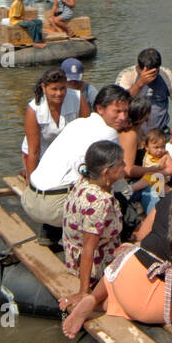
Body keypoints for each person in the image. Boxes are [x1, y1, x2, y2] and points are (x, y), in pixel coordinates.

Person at [61, 153, 172, 337]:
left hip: (122, 273)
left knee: (135, 247)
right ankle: (105, 305)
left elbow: (141, 235)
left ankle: (94, 299)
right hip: (151, 299)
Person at [19, 85, 130, 229]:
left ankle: (49, 231)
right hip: (53, 208)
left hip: (30, 200)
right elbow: (112, 178)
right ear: (100, 109)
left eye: (125, 112)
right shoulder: (109, 133)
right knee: (110, 188)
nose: (123, 117)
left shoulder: (77, 123)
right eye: (117, 111)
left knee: (82, 174)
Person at [57, 140, 125, 313]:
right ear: (106, 172)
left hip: (76, 251)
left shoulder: (84, 180)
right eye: (120, 164)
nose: (125, 166)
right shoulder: (99, 203)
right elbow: (89, 248)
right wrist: (83, 291)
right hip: (96, 263)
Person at [21, 68, 88, 180]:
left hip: (67, 152)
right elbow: (34, 150)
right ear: (44, 88)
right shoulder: (34, 109)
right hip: (39, 153)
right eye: (54, 89)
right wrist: (31, 181)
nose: (59, 93)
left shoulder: (78, 98)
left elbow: (87, 133)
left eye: (62, 88)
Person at [115, 49, 172, 142]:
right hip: (133, 131)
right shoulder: (127, 75)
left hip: (161, 133)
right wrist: (139, 84)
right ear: (139, 66)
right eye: (147, 72)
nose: (150, 76)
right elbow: (119, 102)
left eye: (153, 73)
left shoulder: (166, 74)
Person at [120, 93, 172, 204]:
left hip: (149, 173)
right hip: (134, 180)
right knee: (156, 195)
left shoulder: (139, 131)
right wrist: (154, 169)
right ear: (145, 115)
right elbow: (128, 169)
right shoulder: (131, 134)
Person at [129, 128, 171, 212]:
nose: (160, 150)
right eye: (156, 147)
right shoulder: (147, 154)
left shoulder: (165, 156)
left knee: (150, 177)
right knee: (149, 180)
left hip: (161, 179)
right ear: (147, 147)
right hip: (151, 181)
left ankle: (132, 188)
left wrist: (158, 171)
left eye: (163, 147)